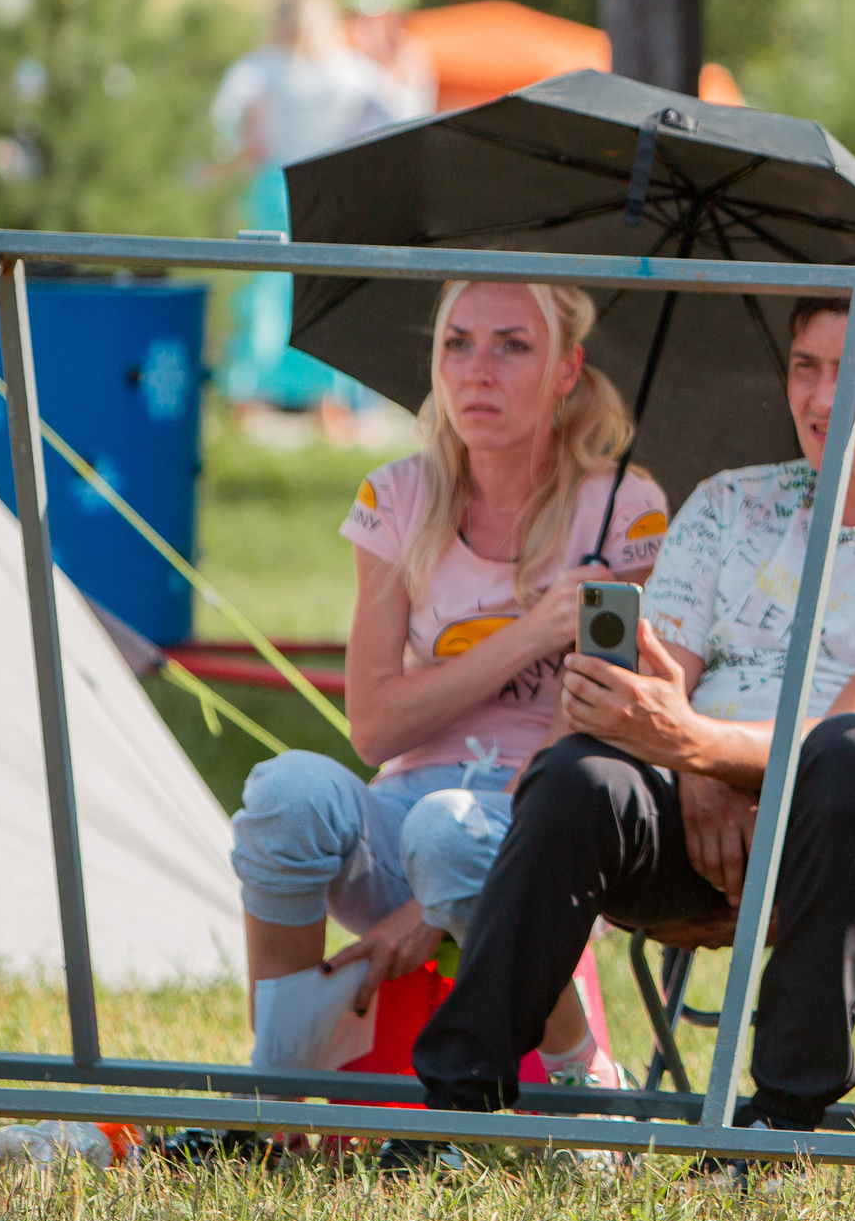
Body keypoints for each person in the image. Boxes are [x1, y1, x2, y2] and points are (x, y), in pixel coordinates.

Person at [407, 290, 855, 1159]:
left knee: (852, 758)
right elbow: (642, 688)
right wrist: (692, 769)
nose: (820, 396)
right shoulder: (729, 503)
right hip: (698, 817)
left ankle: (779, 1124)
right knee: (579, 771)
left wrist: (693, 745)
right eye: (805, 367)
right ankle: (455, 1105)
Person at [156, 282, 668, 1164]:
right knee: (286, 791)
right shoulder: (397, 495)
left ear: (566, 370)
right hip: (407, 810)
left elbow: (596, 726)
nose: (478, 370)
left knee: (449, 833)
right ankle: (275, 1097)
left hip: (549, 828)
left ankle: (587, 1088)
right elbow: (374, 726)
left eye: (512, 345)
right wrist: (529, 635)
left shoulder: (621, 507)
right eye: (457, 343)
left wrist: (433, 905)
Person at [210, 0, 417, 432]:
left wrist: (242, 147)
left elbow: (221, 118)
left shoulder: (262, 66)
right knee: (321, 287)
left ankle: (251, 396)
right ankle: (328, 400)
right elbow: (401, 113)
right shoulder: (350, 68)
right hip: (325, 187)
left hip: (271, 186)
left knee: (265, 288)